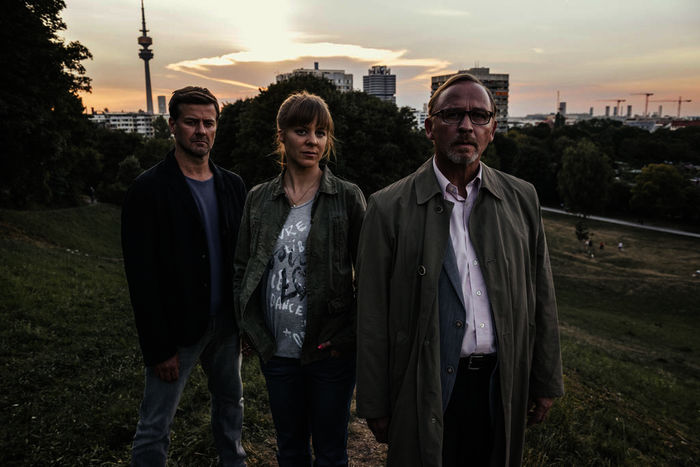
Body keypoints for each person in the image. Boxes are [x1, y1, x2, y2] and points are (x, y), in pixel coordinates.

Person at [355, 73, 564, 466]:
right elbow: (371, 315)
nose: (466, 126)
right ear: (429, 127)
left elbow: (542, 296)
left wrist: (546, 378)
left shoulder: (522, 198)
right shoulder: (387, 207)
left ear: (493, 129)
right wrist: (374, 402)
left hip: (500, 383)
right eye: (452, 115)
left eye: (479, 115)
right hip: (422, 384)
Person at [234, 92, 366, 466]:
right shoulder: (259, 199)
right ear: (282, 135)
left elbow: (370, 274)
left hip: (330, 352)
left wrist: (347, 338)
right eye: (301, 130)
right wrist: (252, 329)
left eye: (321, 133)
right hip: (278, 352)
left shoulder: (347, 197)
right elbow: (242, 269)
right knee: (290, 450)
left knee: (329, 452)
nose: (313, 141)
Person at [121, 86, 247, 466]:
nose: (201, 131)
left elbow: (241, 260)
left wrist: (246, 322)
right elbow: (141, 277)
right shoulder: (148, 189)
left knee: (231, 405)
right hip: (176, 330)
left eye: (209, 123)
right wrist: (158, 347)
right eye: (192, 122)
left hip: (226, 325)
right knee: (156, 422)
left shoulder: (233, 185)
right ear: (172, 125)